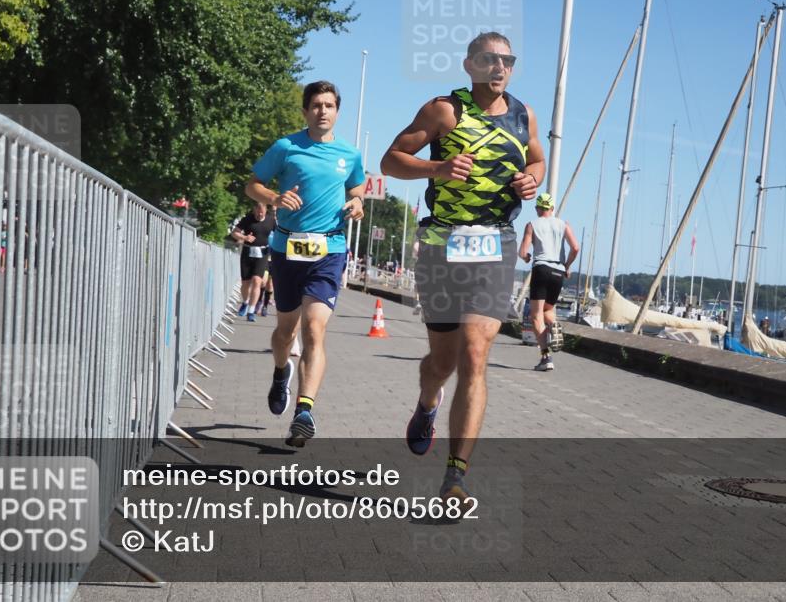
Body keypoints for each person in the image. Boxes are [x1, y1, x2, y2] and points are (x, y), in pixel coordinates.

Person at [381, 31, 545, 505]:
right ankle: (427, 402)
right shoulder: (443, 111)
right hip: (441, 246)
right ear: (469, 65)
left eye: (507, 60)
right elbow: (391, 161)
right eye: (489, 59)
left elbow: (537, 159)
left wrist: (531, 180)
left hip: (497, 244)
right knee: (442, 363)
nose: (500, 67)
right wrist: (437, 168)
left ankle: (455, 476)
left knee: (475, 354)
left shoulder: (524, 115)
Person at [246, 80, 365, 447]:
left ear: (337, 112)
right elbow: (253, 184)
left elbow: (357, 188)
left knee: (314, 328)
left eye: (329, 105)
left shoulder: (350, 154)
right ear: (305, 111)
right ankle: (281, 371)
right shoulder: (287, 147)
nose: (322, 111)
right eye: (316, 105)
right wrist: (274, 197)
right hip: (287, 249)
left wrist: (358, 203)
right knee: (286, 332)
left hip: (329, 250)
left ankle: (304, 411)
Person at [518, 192, 580, 372]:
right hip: (558, 271)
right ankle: (554, 325)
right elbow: (575, 248)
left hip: (541, 269)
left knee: (536, 316)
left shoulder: (532, 225)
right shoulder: (563, 224)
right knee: (547, 310)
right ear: (552, 208)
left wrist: (526, 257)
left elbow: (522, 252)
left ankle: (546, 357)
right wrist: (566, 265)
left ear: (537, 208)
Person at [231, 202, 276, 321]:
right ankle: (245, 302)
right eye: (258, 211)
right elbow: (234, 233)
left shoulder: (271, 220)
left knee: (257, 281)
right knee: (245, 283)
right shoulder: (247, 219)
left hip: (263, 253)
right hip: (247, 252)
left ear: (266, 210)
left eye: (262, 212)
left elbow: (279, 234)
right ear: (254, 209)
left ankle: (251, 311)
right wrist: (244, 237)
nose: (260, 214)